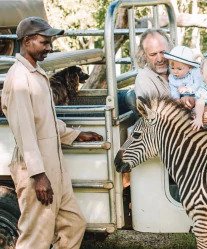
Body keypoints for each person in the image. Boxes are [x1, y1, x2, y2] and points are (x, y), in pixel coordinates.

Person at [1, 17, 103, 249]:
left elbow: (45, 120)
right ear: (27, 41)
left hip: (53, 166)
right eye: (44, 42)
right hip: (37, 169)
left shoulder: (37, 73)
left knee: (73, 224)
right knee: (36, 237)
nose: (50, 47)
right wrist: (38, 175)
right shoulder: (19, 79)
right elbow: (25, 131)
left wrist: (74, 134)